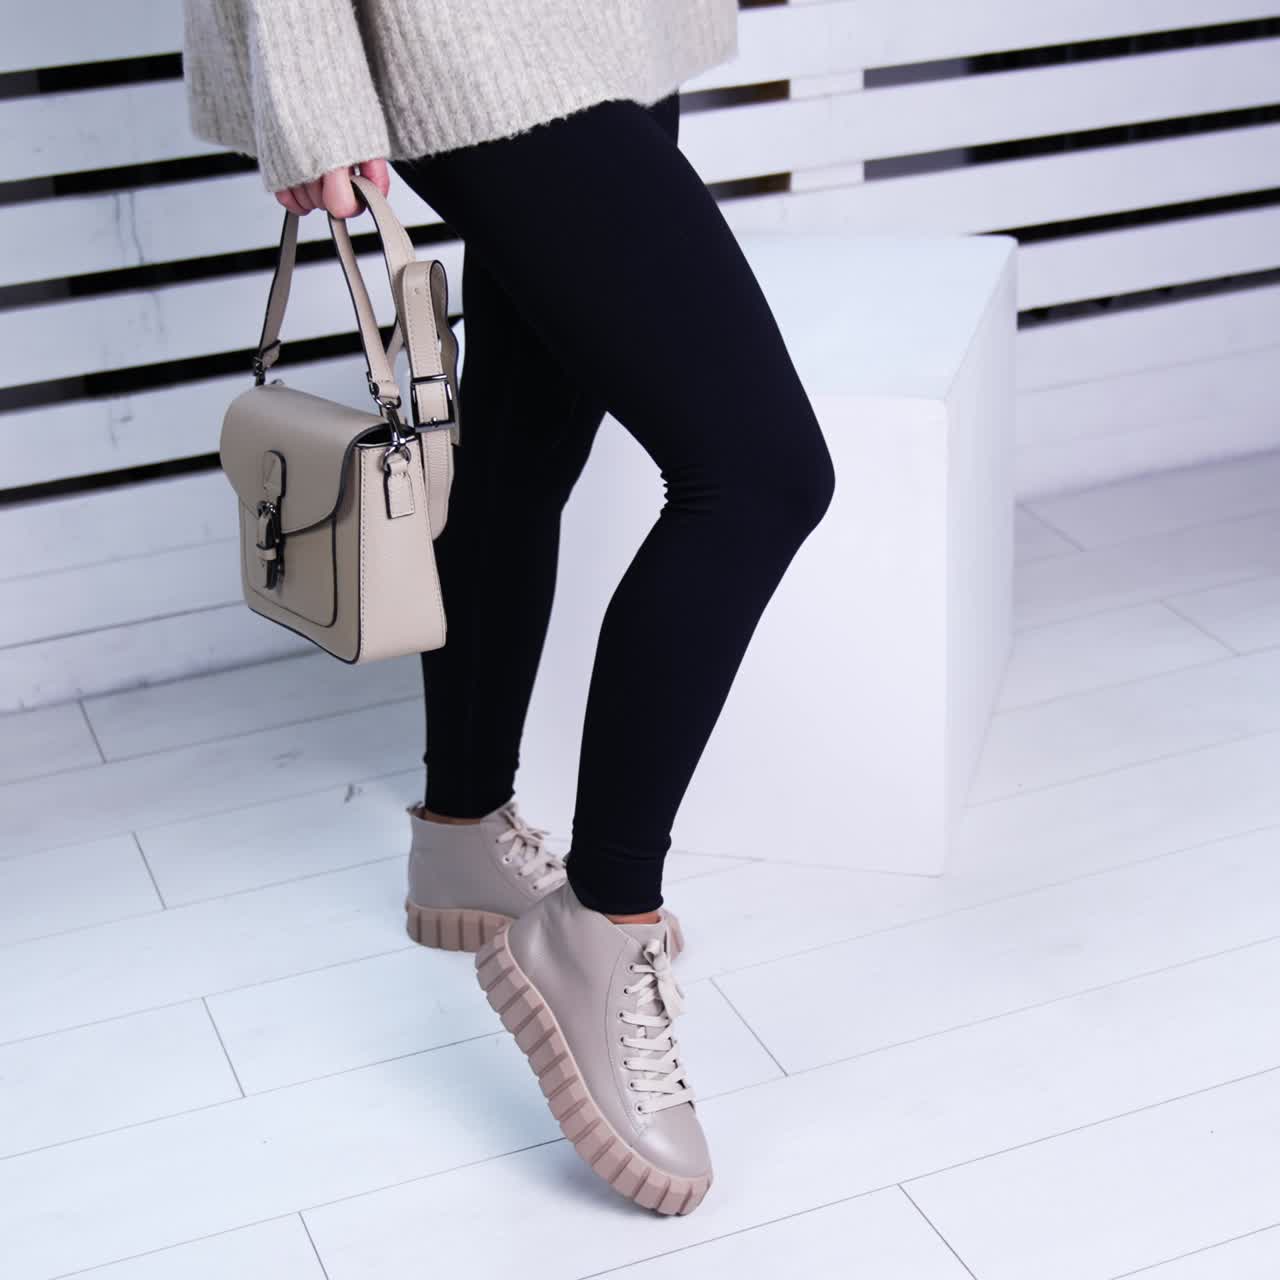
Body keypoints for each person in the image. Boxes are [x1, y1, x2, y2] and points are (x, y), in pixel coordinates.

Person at [182, 0, 836, 1217]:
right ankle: (597, 925)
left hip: (606, 21)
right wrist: (308, 80)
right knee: (758, 473)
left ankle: (462, 828)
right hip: (467, 30)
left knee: (530, 432)